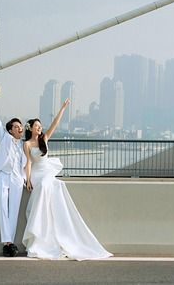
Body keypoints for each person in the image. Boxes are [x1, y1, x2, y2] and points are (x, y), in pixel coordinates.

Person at [22, 98, 112, 260]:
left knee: (55, 184)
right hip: (36, 173)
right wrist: (28, 180)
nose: (40, 128)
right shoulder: (27, 144)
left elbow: (55, 123)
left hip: (47, 171)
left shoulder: (44, 139)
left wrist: (63, 108)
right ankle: (40, 233)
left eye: (40, 126)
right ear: (31, 128)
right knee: (44, 186)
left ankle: (52, 229)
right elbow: (28, 163)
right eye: (37, 126)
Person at [0, 95, 26, 257]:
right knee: (3, 207)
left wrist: (26, 178)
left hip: (17, 178)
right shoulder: (4, 138)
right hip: (3, 175)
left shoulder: (24, 144)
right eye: (16, 126)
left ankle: (10, 242)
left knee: (14, 209)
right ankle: (7, 243)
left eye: (20, 126)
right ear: (10, 130)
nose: (19, 128)